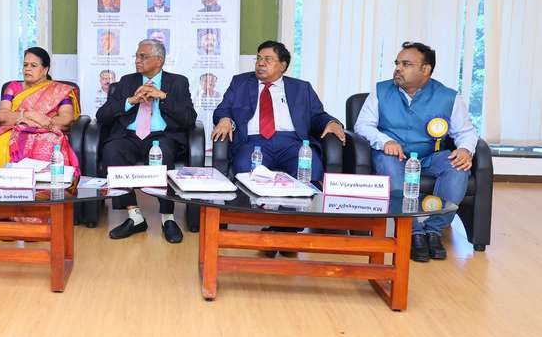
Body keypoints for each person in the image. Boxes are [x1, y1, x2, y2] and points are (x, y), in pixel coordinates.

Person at [212, 40, 345, 255]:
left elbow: (317, 115)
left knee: (309, 171)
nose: (260, 63)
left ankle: (282, 229)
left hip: (293, 143)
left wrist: (331, 122)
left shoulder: (301, 88)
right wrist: (225, 119)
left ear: (283, 65)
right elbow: (222, 109)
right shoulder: (240, 82)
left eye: (268, 59)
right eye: (258, 58)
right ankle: (280, 231)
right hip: (254, 143)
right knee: (245, 169)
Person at [354, 41, 477, 262]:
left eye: (406, 64)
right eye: (397, 63)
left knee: (457, 166)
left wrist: (465, 149)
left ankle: (434, 230)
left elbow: (466, 131)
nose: (398, 68)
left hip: (429, 156)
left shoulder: (448, 96)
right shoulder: (381, 91)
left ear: (425, 69)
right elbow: (363, 125)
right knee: (390, 163)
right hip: (393, 155)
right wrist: (385, 141)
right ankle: (412, 232)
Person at [97, 39, 197, 243]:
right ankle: (134, 216)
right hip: (129, 136)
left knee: (165, 155)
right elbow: (102, 115)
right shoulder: (127, 82)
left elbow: (189, 119)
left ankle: (167, 218)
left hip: (162, 136)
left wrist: (163, 96)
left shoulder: (178, 82)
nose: (137, 60)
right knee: (112, 151)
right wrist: (130, 101)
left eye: (143, 56)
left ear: (159, 60)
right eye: (136, 56)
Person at [0, 48, 80, 176]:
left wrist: (34, 124)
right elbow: (2, 116)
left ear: (45, 70)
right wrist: (31, 115)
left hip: (47, 133)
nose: (27, 69)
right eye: (25, 65)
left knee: (47, 145)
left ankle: (43, 187)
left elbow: (66, 120)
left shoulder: (59, 90)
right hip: (14, 131)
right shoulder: (13, 87)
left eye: (33, 65)